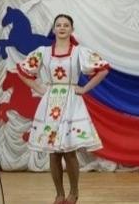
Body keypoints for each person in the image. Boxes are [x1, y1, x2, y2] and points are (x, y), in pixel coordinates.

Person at [17, 14, 109, 204]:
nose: (62, 28)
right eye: (58, 25)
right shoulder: (43, 52)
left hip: (71, 103)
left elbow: (103, 69)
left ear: (72, 29)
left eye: (66, 25)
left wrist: (84, 88)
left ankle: (74, 192)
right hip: (51, 103)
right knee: (54, 151)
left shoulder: (78, 52)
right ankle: (59, 194)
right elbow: (23, 70)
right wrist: (38, 88)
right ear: (53, 29)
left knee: (69, 151)